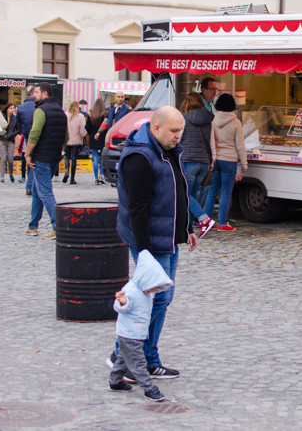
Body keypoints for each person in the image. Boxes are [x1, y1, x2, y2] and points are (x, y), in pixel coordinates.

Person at [107, 106, 198, 379]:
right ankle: (135, 358)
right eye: (173, 131)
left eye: (180, 131)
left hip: (168, 237)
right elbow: (137, 208)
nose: (178, 136)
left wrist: (188, 227)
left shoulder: (169, 151)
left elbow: (178, 192)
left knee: (161, 298)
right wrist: (144, 251)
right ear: (156, 128)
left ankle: (128, 355)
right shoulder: (140, 157)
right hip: (150, 240)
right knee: (155, 299)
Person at [109, 250, 173, 402]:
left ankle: (115, 381)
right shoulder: (131, 291)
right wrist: (123, 303)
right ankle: (149, 388)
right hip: (130, 333)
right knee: (138, 363)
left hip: (136, 332)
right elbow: (120, 307)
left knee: (124, 358)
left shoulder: (145, 292)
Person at [24, 82, 67, 239]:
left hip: (41, 157)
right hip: (54, 156)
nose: (33, 95)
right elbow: (66, 136)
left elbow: (34, 133)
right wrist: (58, 149)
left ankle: (57, 226)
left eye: (36, 92)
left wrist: (27, 153)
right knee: (37, 190)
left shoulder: (41, 110)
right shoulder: (61, 111)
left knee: (45, 192)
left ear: (44, 94)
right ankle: (33, 226)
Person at [205, 93, 248, 231]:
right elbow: (240, 144)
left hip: (215, 159)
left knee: (211, 192)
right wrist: (244, 163)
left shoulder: (212, 120)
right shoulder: (236, 122)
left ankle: (206, 222)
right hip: (229, 160)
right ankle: (222, 223)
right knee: (225, 192)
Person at [179, 93, 216, 233]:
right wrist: (211, 162)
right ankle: (187, 227)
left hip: (189, 161)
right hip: (204, 162)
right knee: (191, 195)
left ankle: (204, 219)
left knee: (184, 194)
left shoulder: (183, 118)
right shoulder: (208, 120)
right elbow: (212, 142)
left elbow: (179, 138)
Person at [14, 86, 38, 192]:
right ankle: (32, 186)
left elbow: (18, 123)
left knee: (29, 158)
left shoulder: (21, 107)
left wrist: (24, 131)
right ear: (33, 94)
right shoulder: (38, 106)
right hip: (38, 135)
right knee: (35, 160)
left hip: (28, 135)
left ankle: (29, 186)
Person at [85, 98, 107, 184]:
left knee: (94, 157)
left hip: (92, 137)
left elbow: (87, 127)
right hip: (102, 137)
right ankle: (101, 175)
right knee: (102, 157)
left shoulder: (91, 115)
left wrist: (91, 133)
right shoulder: (105, 114)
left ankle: (96, 177)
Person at [63, 101, 86, 185]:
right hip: (76, 140)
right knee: (74, 158)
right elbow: (83, 130)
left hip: (67, 140)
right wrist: (83, 136)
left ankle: (66, 171)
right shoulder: (80, 117)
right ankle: (72, 178)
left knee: (67, 157)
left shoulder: (65, 115)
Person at [0, 103, 18, 184]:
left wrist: (13, 134)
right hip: (2, 139)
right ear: (7, 109)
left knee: (10, 159)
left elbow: (18, 129)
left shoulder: (15, 118)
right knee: (3, 159)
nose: (12, 110)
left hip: (10, 140)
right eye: (11, 108)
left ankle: (10, 173)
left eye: (13, 108)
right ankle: (2, 177)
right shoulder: (2, 117)